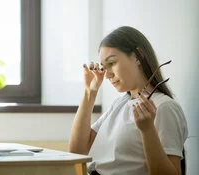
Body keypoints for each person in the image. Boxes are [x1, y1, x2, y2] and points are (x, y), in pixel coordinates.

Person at [69, 26, 188, 175]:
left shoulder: (164, 107)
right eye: (104, 68)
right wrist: (89, 93)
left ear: (138, 55)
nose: (108, 75)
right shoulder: (120, 104)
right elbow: (76, 152)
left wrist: (147, 130)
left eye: (112, 63)